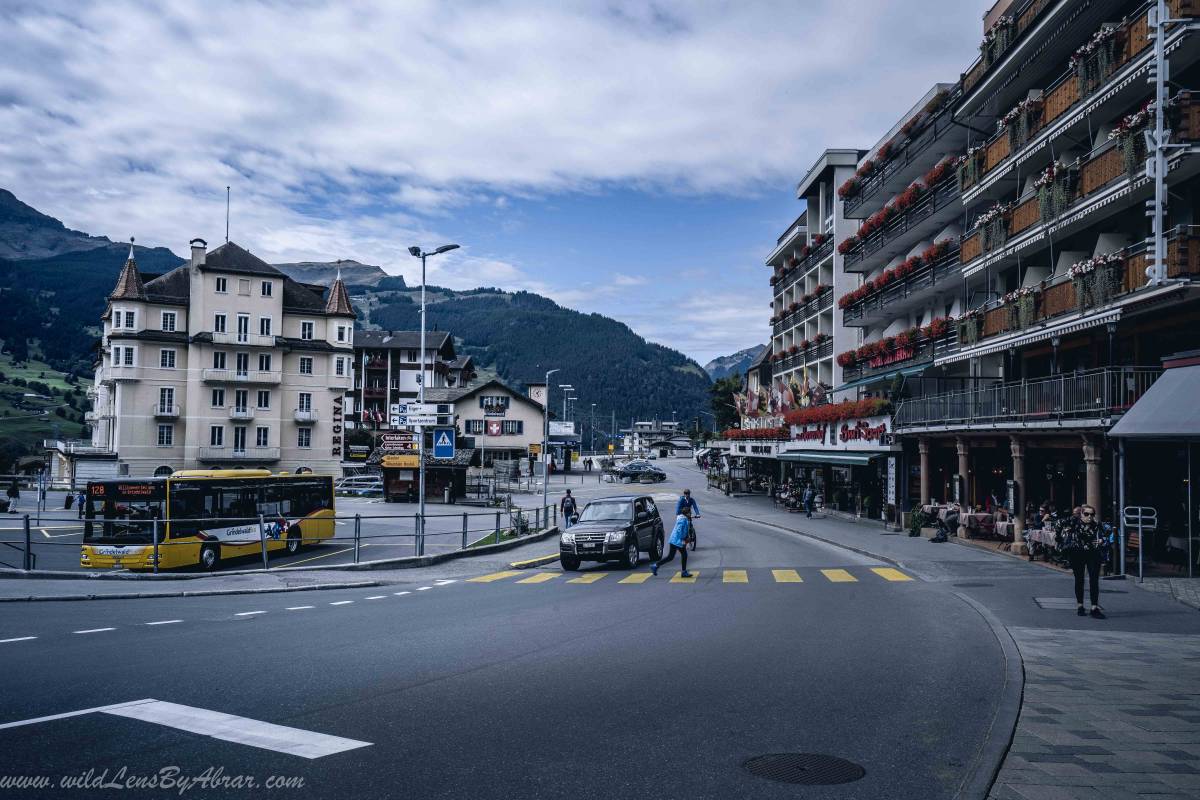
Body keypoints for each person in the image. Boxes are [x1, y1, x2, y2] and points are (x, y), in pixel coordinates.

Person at [1056, 504, 1106, 618]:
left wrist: (1102, 540)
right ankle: (1080, 606)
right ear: (1081, 514)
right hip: (1077, 553)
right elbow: (1058, 524)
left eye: (1092, 514)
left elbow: (1106, 534)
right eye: (1086, 514)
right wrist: (1059, 538)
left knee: (1094, 580)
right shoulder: (1074, 521)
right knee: (1079, 579)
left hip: (1093, 554)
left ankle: (1094, 607)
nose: (1089, 517)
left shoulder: (1097, 524)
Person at [650, 508, 692, 578]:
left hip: (673, 540)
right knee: (684, 555)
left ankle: (655, 566)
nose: (691, 514)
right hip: (677, 541)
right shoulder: (683, 520)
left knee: (670, 557)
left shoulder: (682, 518)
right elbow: (679, 530)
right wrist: (684, 539)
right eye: (690, 513)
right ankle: (684, 572)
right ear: (686, 513)